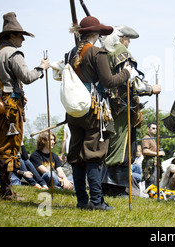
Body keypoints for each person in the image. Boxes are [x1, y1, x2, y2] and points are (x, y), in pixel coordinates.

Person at [65, 16, 132, 210]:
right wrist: (126, 73)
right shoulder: (97, 53)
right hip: (94, 108)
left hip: (74, 109)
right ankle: (96, 201)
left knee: (77, 156)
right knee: (94, 154)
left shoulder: (71, 53)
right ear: (95, 34)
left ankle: (81, 201)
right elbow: (109, 81)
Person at [0, 12, 49, 200]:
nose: (22, 39)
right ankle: (6, 191)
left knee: (0, 147)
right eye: (20, 35)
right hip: (9, 107)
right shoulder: (13, 53)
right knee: (10, 148)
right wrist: (41, 68)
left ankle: (4, 187)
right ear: (11, 36)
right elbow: (27, 77)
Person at [99, 26, 161, 196]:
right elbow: (132, 82)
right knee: (122, 148)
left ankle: (106, 186)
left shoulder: (103, 52)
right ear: (123, 38)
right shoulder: (121, 52)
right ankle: (116, 188)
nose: (129, 44)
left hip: (105, 106)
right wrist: (152, 88)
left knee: (108, 145)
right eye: (129, 40)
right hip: (121, 107)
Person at [141, 122, 165, 189]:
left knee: (156, 180)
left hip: (156, 162)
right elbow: (145, 151)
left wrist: (160, 152)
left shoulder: (153, 139)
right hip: (150, 163)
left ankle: (154, 196)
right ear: (148, 129)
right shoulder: (146, 138)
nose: (155, 130)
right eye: (153, 128)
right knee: (152, 180)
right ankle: (151, 195)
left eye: (156, 128)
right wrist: (157, 153)